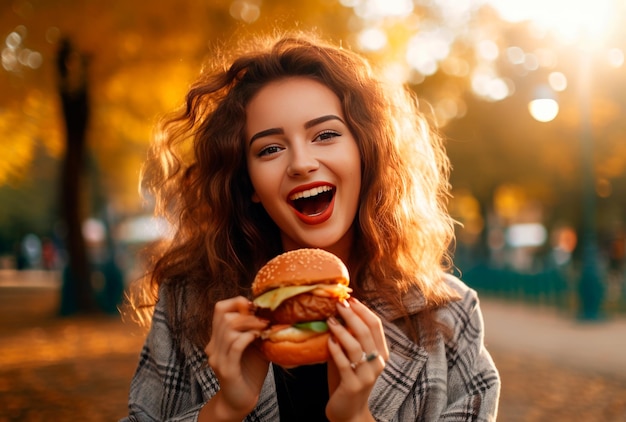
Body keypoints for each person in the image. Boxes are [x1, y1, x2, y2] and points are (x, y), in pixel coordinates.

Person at [121, 31, 500, 422]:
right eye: (270, 148)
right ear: (248, 182)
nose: (301, 163)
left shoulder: (452, 316)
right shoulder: (187, 301)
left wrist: (356, 417)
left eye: (326, 135)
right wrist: (224, 410)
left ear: (366, 153)